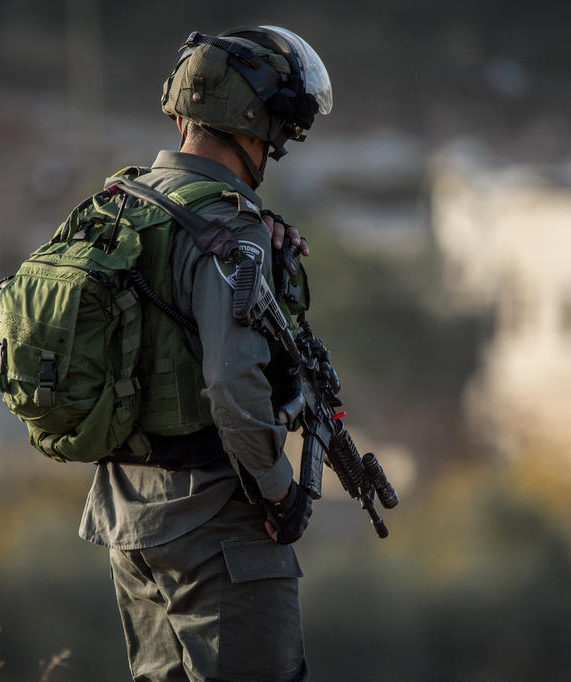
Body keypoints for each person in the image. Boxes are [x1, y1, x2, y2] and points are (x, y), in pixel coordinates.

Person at [75, 26, 333, 681]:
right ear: (250, 122)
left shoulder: (120, 207)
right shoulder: (233, 229)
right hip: (216, 523)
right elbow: (230, 383)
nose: (277, 143)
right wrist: (278, 495)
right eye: (276, 126)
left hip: (128, 514)